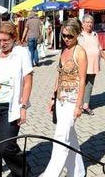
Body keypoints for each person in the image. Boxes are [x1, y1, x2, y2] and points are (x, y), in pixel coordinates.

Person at [0, 22, 33, 177]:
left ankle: (23, 171)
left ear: (14, 38)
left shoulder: (22, 53)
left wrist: (23, 107)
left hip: (10, 108)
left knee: (6, 146)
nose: (2, 44)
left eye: (5, 40)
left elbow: (28, 81)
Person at [43, 19, 88, 177]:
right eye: (63, 35)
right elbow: (59, 74)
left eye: (70, 36)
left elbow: (83, 79)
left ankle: (50, 174)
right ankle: (78, 172)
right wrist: (53, 98)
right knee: (70, 136)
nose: (66, 39)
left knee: (61, 138)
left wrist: (79, 104)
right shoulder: (64, 50)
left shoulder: (80, 52)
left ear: (77, 34)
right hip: (61, 100)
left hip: (72, 100)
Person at [78, 14, 105, 115]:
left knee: (90, 85)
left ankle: (86, 105)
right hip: (84, 64)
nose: (89, 24)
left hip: (94, 63)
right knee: (81, 83)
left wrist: (104, 57)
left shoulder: (95, 34)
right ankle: (79, 104)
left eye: (91, 22)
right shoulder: (80, 36)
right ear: (83, 24)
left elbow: (99, 47)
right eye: (87, 22)